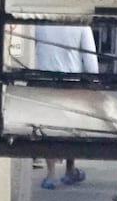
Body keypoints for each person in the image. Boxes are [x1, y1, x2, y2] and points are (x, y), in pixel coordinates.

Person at [31, 23, 97, 189]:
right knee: (71, 129)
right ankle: (70, 170)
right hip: (72, 84)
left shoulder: (40, 24)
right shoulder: (81, 26)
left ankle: (51, 174)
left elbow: (26, 46)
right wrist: (93, 86)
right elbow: (90, 61)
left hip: (45, 81)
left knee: (48, 128)